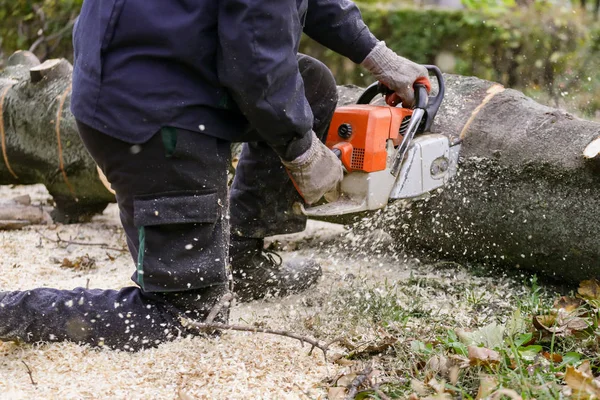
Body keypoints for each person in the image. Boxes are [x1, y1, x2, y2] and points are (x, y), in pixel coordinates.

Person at [0, 0, 428, 351]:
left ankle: (240, 254)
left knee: (309, 85)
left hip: (168, 66)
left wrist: (375, 54)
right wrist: (301, 150)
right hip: (153, 112)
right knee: (185, 317)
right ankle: (10, 310)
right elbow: (257, 62)